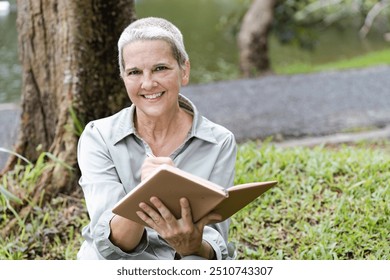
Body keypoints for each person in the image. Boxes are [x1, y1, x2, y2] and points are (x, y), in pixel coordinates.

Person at [77, 17, 237, 260]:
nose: (148, 83)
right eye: (134, 72)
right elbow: (110, 244)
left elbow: (213, 245)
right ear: (123, 77)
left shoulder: (219, 142)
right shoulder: (98, 136)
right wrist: (148, 190)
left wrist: (191, 245)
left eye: (160, 68)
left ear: (184, 70)